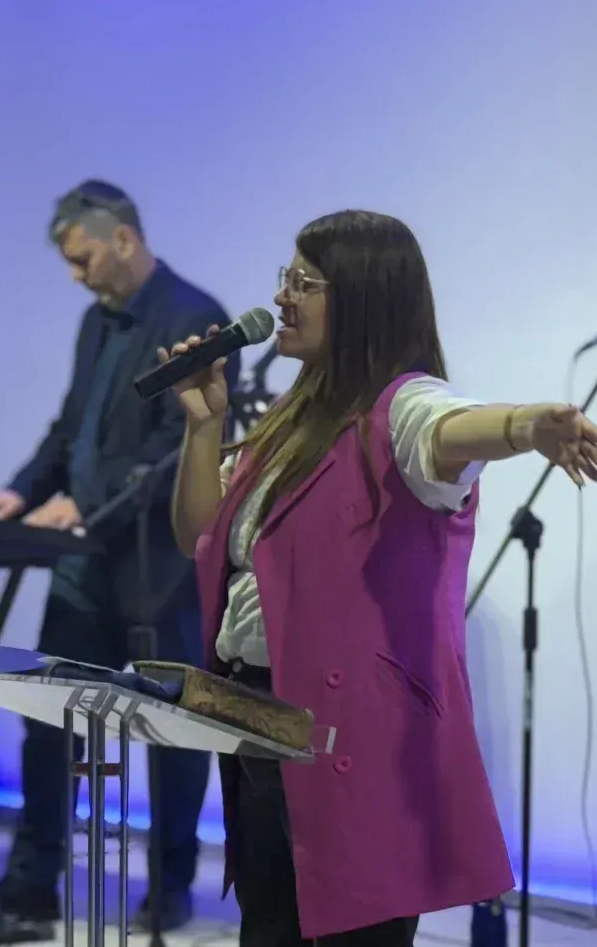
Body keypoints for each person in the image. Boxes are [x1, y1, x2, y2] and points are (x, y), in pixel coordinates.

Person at [164, 210, 597, 947]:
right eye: (285, 278)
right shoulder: (292, 419)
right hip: (256, 723)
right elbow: (196, 536)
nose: (282, 298)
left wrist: (526, 425)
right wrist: (202, 426)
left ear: (362, 297)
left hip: (349, 744)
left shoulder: (404, 405)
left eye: (304, 283)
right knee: (269, 927)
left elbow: (450, 429)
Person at [0, 180, 240, 942]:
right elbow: (70, 430)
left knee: (171, 737)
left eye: (84, 260)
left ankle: (169, 885)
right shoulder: (94, 322)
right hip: (86, 569)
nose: (77, 276)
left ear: (124, 239)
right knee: (49, 725)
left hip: (156, 573)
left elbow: (175, 450)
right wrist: (19, 492)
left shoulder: (194, 318)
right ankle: (32, 882)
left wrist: (87, 503)